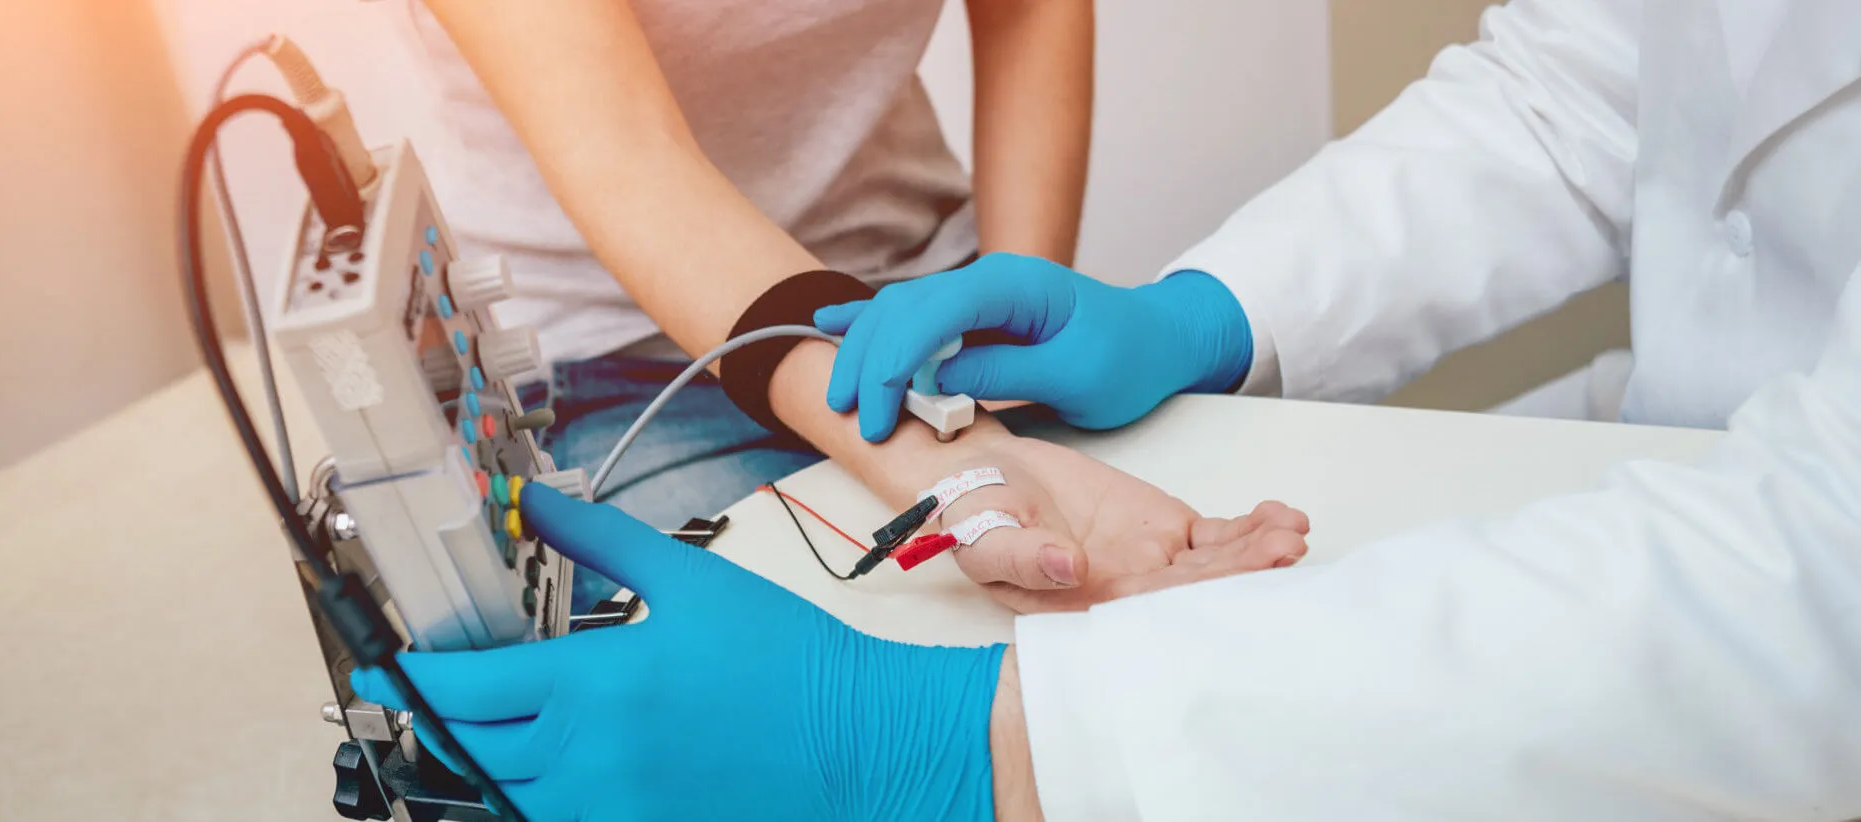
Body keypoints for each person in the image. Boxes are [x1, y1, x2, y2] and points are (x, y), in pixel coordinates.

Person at [355, 0, 1861, 818]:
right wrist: (1162, 344)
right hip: (622, 347)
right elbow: (1586, 90)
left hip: (899, 282)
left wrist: (999, 442)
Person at [400, 0, 1305, 613]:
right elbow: (628, 155)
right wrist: (969, 465)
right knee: (793, 674)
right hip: (620, 350)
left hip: (922, 276)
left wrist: (1019, 295)